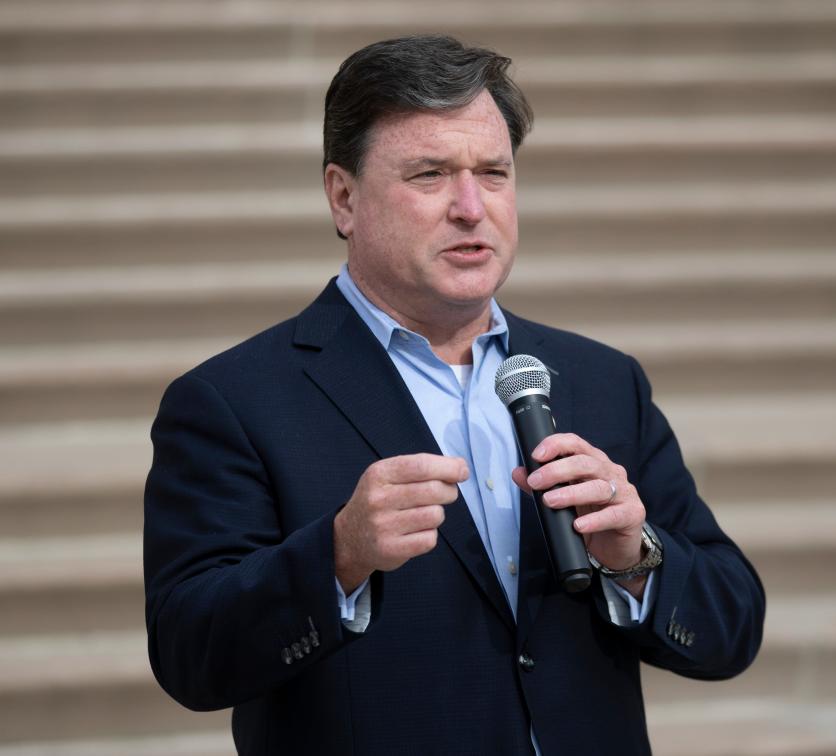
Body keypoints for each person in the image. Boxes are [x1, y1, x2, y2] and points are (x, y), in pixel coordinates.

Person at [144, 35, 764, 755]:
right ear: (344, 197)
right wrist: (336, 557)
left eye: (493, 173)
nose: (471, 207)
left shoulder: (600, 379)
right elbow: (190, 655)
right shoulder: (232, 400)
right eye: (430, 174)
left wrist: (634, 557)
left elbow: (732, 628)